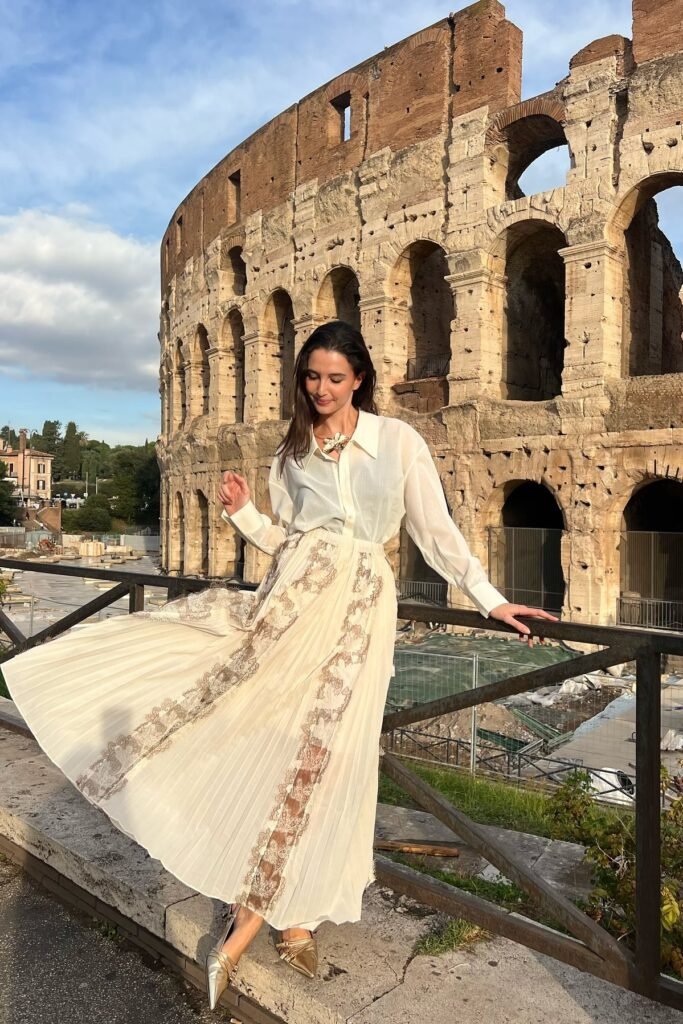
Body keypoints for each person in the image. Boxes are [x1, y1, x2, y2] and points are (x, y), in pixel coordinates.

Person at [3, 320, 556, 1011]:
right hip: (286, 603)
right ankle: (267, 911)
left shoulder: (397, 442)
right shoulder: (290, 453)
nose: (321, 390)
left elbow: (434, 533)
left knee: (326, 758)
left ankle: (276, 914)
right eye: (311, 377)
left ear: (359, 379)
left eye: (334, 377)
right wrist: (241, 516)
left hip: (356, 609)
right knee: (260, 734)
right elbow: (287, 539)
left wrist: (490, 599)